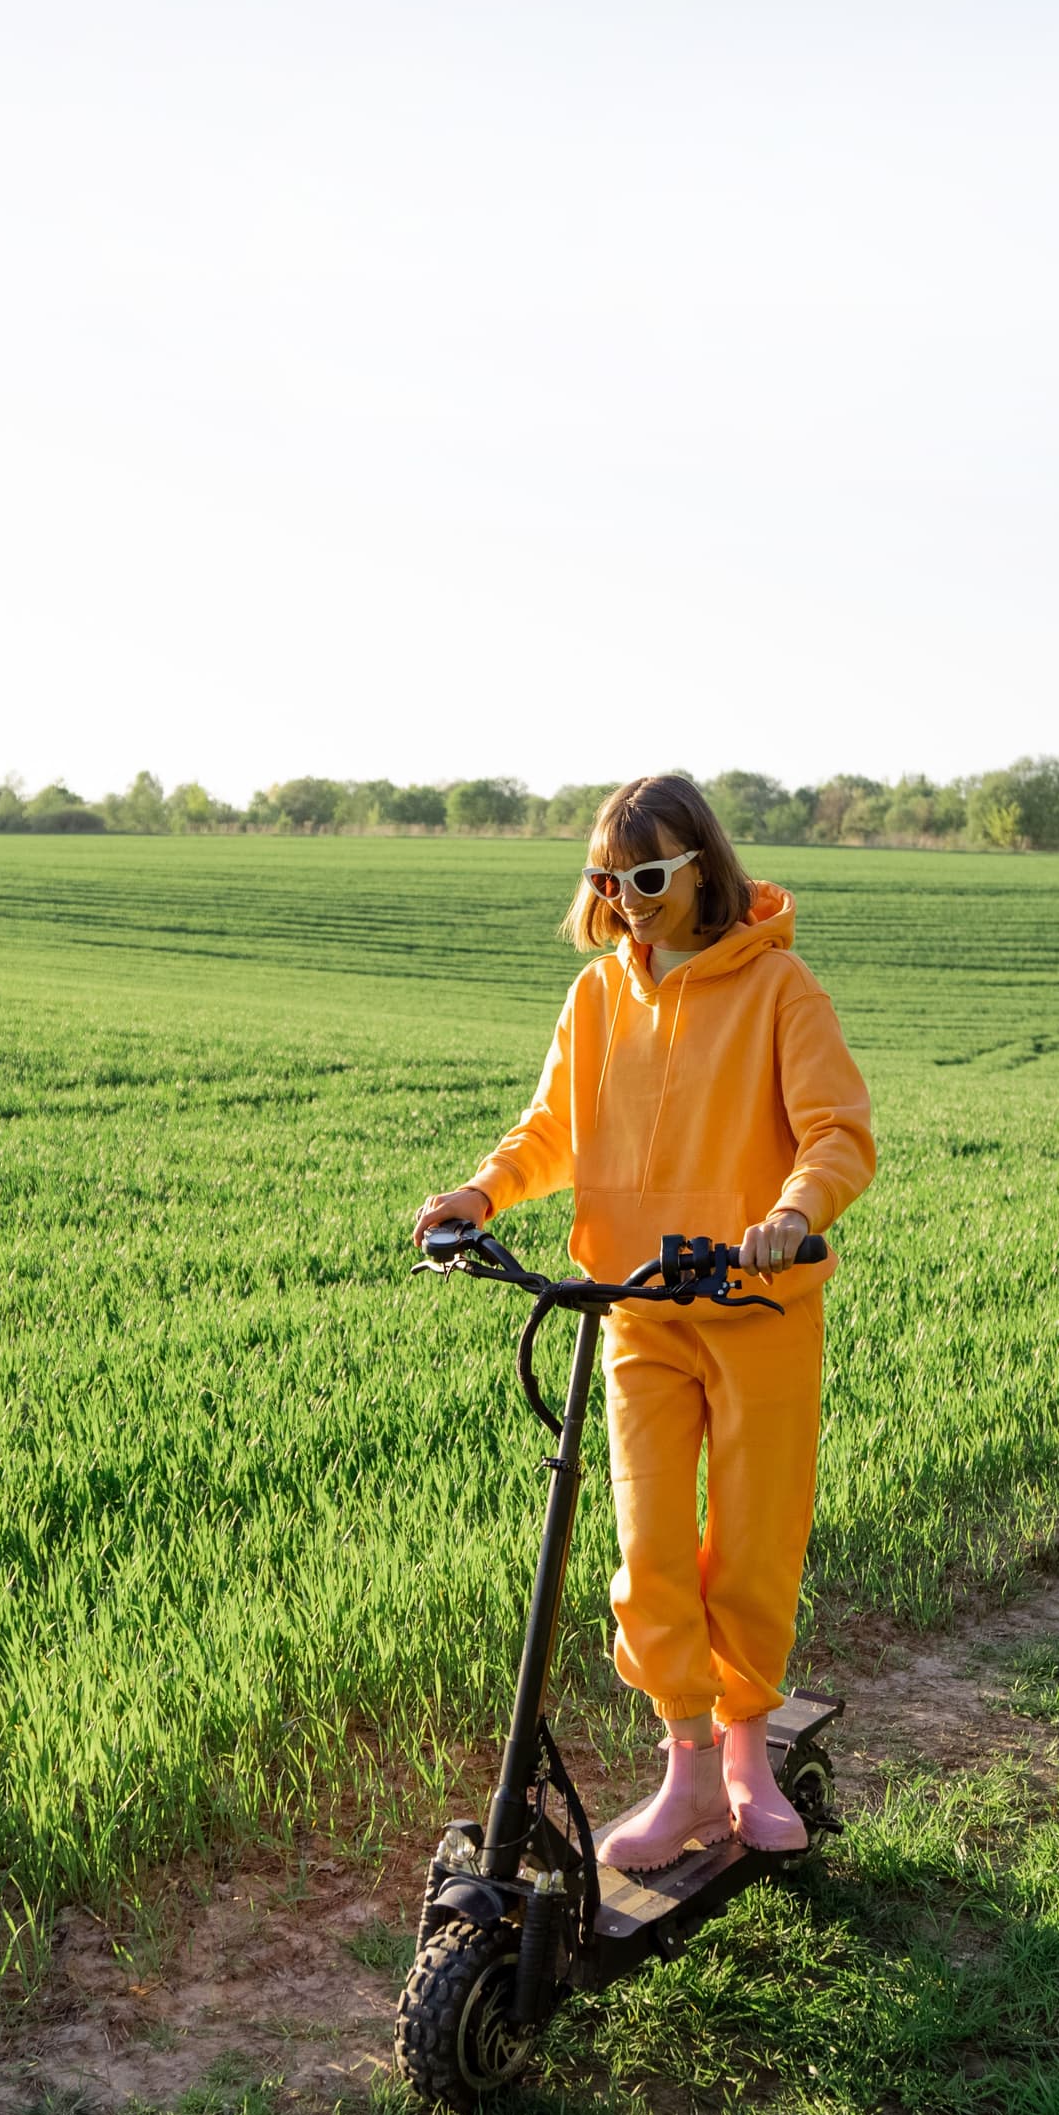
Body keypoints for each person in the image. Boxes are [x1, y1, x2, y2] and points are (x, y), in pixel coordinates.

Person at [411, 775, 877, 1868]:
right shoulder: (597, 997)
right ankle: (683, 1774)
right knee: (651, 1548)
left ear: (704, 866)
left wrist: (790, 1214)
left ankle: (746, 1758)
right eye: (609, 881)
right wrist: (481, 1193)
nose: (629, 900)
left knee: (752, 1546)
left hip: (753, 1305)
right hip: (634, 1310)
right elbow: (551, 1130)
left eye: (650, 877)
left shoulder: (779, 988)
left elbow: (838, 1133)